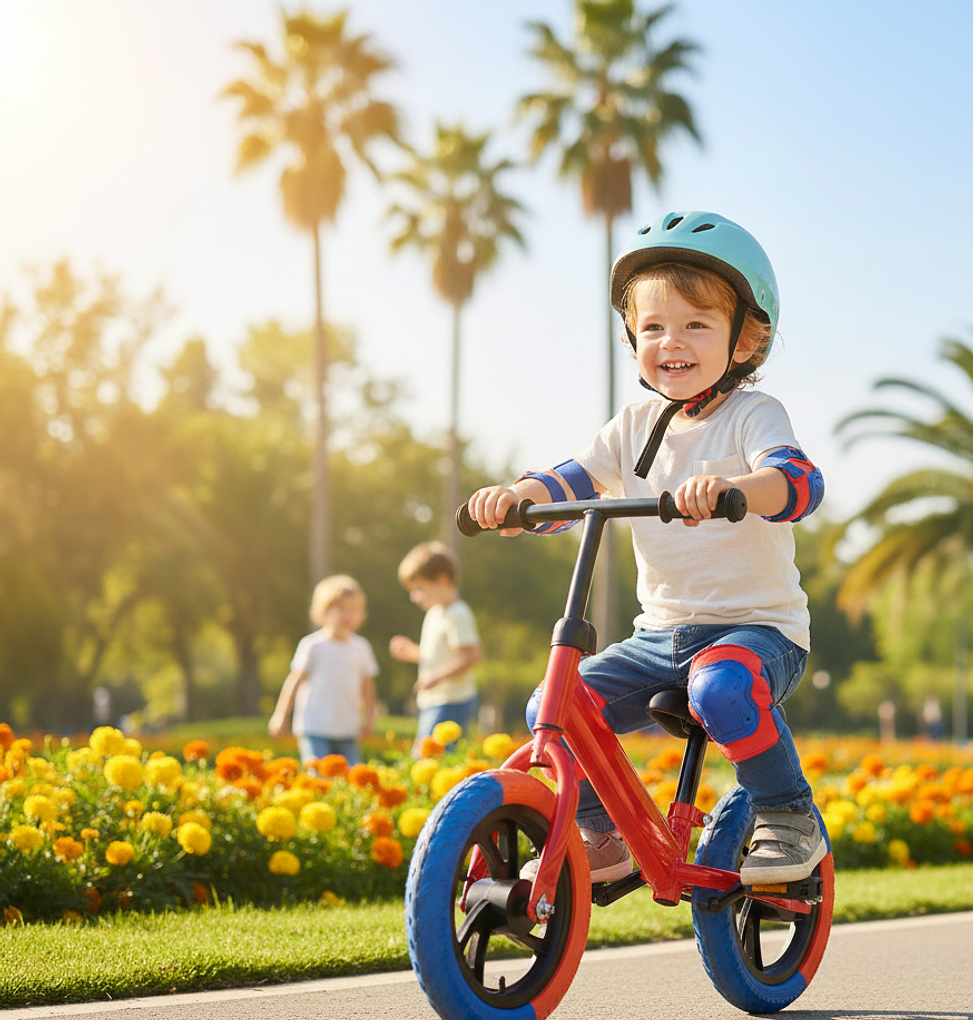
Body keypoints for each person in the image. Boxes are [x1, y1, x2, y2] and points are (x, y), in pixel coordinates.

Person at [468, 210, 825, 887]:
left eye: (697, 324)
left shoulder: (754, 415)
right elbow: (570, 482)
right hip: (660, 637)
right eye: (653, 327)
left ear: (745, 338)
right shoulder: (633, 426)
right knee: (558, 700)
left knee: (721, 686)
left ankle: (787, 813)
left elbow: (800, 483)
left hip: (759, 632)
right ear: (633, 339)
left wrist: (740, 488)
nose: (672, 341)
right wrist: (518, 500)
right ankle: (603, 835)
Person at [269, 574, 378, 767]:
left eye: (354, 610)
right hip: (315, 727)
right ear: (323, 612)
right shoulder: (312, 645)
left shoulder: (361, 648)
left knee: (351, 780)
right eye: (341, 609)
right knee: (318, 777)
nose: (348, 615)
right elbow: (294, 681)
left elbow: (368, 687)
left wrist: (369, 719)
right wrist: (281, 716)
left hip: (347, 729)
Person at [389, 542, 482, 749]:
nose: (415, 597)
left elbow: (471, 656)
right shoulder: (435, 613)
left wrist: (436, 677)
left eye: (419, 589)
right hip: (435, 700)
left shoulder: (457, 614)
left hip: (452, 701)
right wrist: (413, 653)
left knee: (429, 755)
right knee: (428, 754)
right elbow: (437, 655)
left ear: (442, 580)